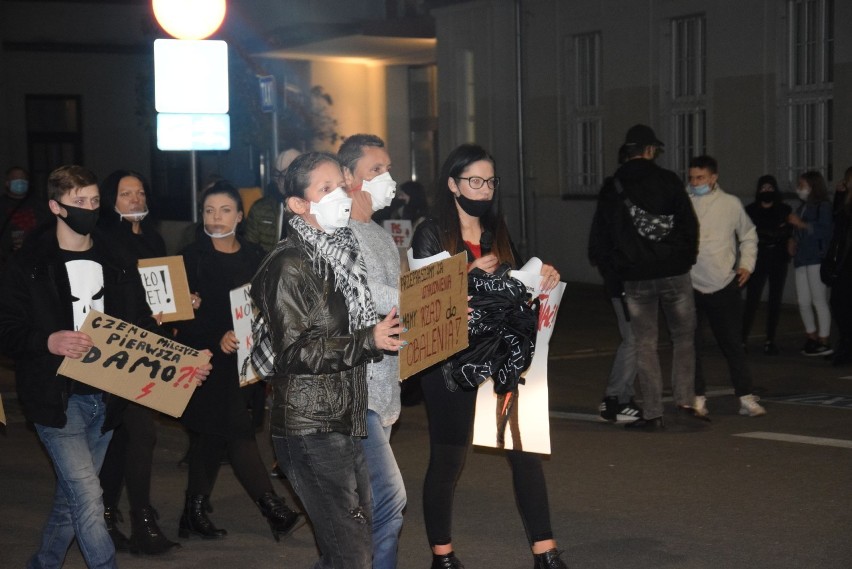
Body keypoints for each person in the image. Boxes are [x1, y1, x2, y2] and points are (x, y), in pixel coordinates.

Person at [0, 164, 210, 569]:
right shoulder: (30, 264)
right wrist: (47, 340)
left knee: (73, 500)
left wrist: (184, 366)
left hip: (105, 396)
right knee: (90, 498)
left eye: (95, 202)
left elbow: (138, 328)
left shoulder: (114, 261)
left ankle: (43, 563)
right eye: (80, 203)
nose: (90, 210)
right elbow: (7, 328)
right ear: (55, 206)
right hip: (56, 400)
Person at [411, 144, 567, 569]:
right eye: (473, 181)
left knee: (523, 448)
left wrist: (542, 276)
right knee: (448, 457)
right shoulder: (430, 232)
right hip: (450, 360)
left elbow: (516, 283)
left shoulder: (495, 229)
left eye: (490, 181)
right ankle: (442, 555)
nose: (482, 190)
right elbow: (425, 298)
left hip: (501, 354)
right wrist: (467, 274)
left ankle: (546, 551)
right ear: (452, 184)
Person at [250, 151, 403, 569]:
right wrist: (367, 340)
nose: (340, 195)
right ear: (299, 205)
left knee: (353, 541)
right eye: (325, 188)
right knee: (350, 549)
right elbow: (296, 351)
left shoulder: (341, 252)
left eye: (340, 184)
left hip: (346, 414)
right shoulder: (290, 264)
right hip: (310, 424)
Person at [174, 181, 301, 542]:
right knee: (236, 430)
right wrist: (212, 333)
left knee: (213, 436)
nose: (216, 218)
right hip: (205, 362)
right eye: (209, 211)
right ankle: (273, 509)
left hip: (246, 361)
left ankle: (192, 512)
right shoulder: (189, 257)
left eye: (225, 210)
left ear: (240, 215)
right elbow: (172, 315)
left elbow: (267, 307)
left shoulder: (256, 255)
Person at [590, 125, 699, 431]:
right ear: (651, 150)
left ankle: (653, 412)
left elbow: (600, 239)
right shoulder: (669, 181)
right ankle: (685, 399)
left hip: (635, 278)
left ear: (628, 151)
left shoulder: (614, 186)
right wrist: (682, 259)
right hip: (674, 273)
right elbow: (689, 226)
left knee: (645, 344)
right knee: (684, 337)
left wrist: (618, 270)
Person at [95, 169, 181, 555]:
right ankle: (141, 520)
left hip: (151, 346)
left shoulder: (154, 238)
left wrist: (181, 306)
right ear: (111, 199)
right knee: (141, 434)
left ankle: (108, 517)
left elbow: (162, 290)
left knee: (123, 438)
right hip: (119, 349)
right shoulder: (104, 240)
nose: (135, 199)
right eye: (126, 193)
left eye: (140, 193)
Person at [338, 133, 407, 569]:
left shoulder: (380, 235)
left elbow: (398, 298)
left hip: (384, 391)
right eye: (375, 170)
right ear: (348, 177)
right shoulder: (340, 235)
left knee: (362, 505)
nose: (387, 179)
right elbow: (360, 292)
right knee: (389, 500)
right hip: (355, 387)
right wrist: (420, 297)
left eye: (387, 168)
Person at [688, 155, 765, 418]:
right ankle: (696, 396)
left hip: (723, 284)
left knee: (732, 342)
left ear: (713, 177)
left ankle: (745, 396)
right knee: (691, 344)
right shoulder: (683, 203)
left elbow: (748, 235)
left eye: (700, 177)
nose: (695, 182)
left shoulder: (730, 204)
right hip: (690, 285)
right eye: (691, 178)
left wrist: (746, 265)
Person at [588, 144, 641, 424]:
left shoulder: (612, 192)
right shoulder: (620, 192)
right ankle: (614, 399)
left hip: (618, 276)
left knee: (634, 338)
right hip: (623, 278)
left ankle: (622, 397)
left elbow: (598, 240)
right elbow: (605, 241)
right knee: (632, 339)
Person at [742, 175, 793, 355]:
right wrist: (770, 234)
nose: (766, 192)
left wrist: (773, 234)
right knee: (752, 300)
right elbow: (749, 233)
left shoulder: (783, 209)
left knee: (775, 300)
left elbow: (785, 232)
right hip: (758, 259)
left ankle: (770, 340)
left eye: (770, 188)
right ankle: (742, 340)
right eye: (763, 189)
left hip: (778, 259)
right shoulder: (751, 210)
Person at [789, 170, 834, 356]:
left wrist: (801, 225)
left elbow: (825, 231)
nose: (799, 189)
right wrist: (792, 239)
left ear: (812, 186)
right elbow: (798, 231)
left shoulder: (823, 206)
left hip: (816, 258)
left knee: (819, 300)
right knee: (803, 301)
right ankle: (811, 336)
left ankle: (824, 339)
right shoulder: (802, 207)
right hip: (801, 259)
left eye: (802, 185)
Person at [244, 148, 301, 253]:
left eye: (285, 175)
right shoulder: (260, 209)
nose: (281, 180)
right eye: (277, 175)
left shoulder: (312, 208)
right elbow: (250, 250)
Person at [823, 180, 852, 365]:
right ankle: (845, 346)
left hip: (847, 262)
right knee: (839, 304)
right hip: (844, 262)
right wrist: (839, 196)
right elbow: (838, 221)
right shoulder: (846, 204)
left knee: (843, 305)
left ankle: (846, 348)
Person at [0, 166, 49, 270]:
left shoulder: (39, 205)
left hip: (37, 261)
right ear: (7, 183)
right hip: (8, 264)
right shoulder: (2, 206)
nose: (20, 182)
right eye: (16, 179)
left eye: (23, 179)